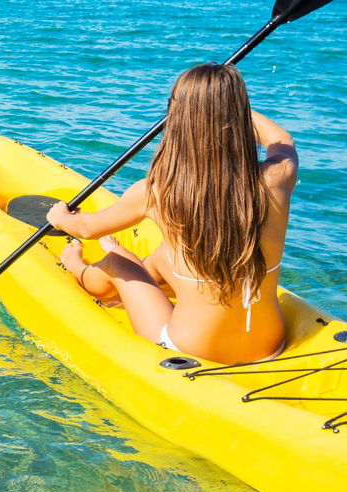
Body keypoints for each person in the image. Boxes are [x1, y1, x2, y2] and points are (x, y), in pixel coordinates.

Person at [46, 63, 297, 365]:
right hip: (269, 346)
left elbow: (87, 228)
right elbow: (282, 140)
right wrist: (228, 104)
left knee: (117, 263)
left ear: (178, 118)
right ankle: (147, 269)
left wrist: (60, 217)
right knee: (167, 254)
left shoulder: (158, 191)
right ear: (239, 115)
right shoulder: (278, 176)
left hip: (190, 350)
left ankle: (84, 269)